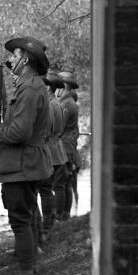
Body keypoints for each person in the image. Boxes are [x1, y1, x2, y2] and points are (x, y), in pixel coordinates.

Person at [0, 37, 53, 275]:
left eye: (14, 55)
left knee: (21, 222)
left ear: (25, 59)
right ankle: (32, 274)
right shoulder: (33, 86)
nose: (10, 59)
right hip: (29, 163)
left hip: (22, 164)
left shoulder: (28, 88)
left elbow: (20, 132)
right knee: (28, 217)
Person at [34, 71, 67, 246]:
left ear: (48, 87)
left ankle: (47, 226)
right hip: (56, 149)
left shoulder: (50, 105)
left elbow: (47, 130)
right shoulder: (56, 103)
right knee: (50, 189)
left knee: (45, 190)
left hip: (50, 150)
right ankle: (50, 223)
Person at [57, 71, 80, 221]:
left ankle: (61, 216)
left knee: (60, 183)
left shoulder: (66, 104)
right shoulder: (68, 102)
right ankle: (64, 215)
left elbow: (59, 128)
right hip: (67, 145)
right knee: (65, 183)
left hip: (64, 146)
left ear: (64, 85)